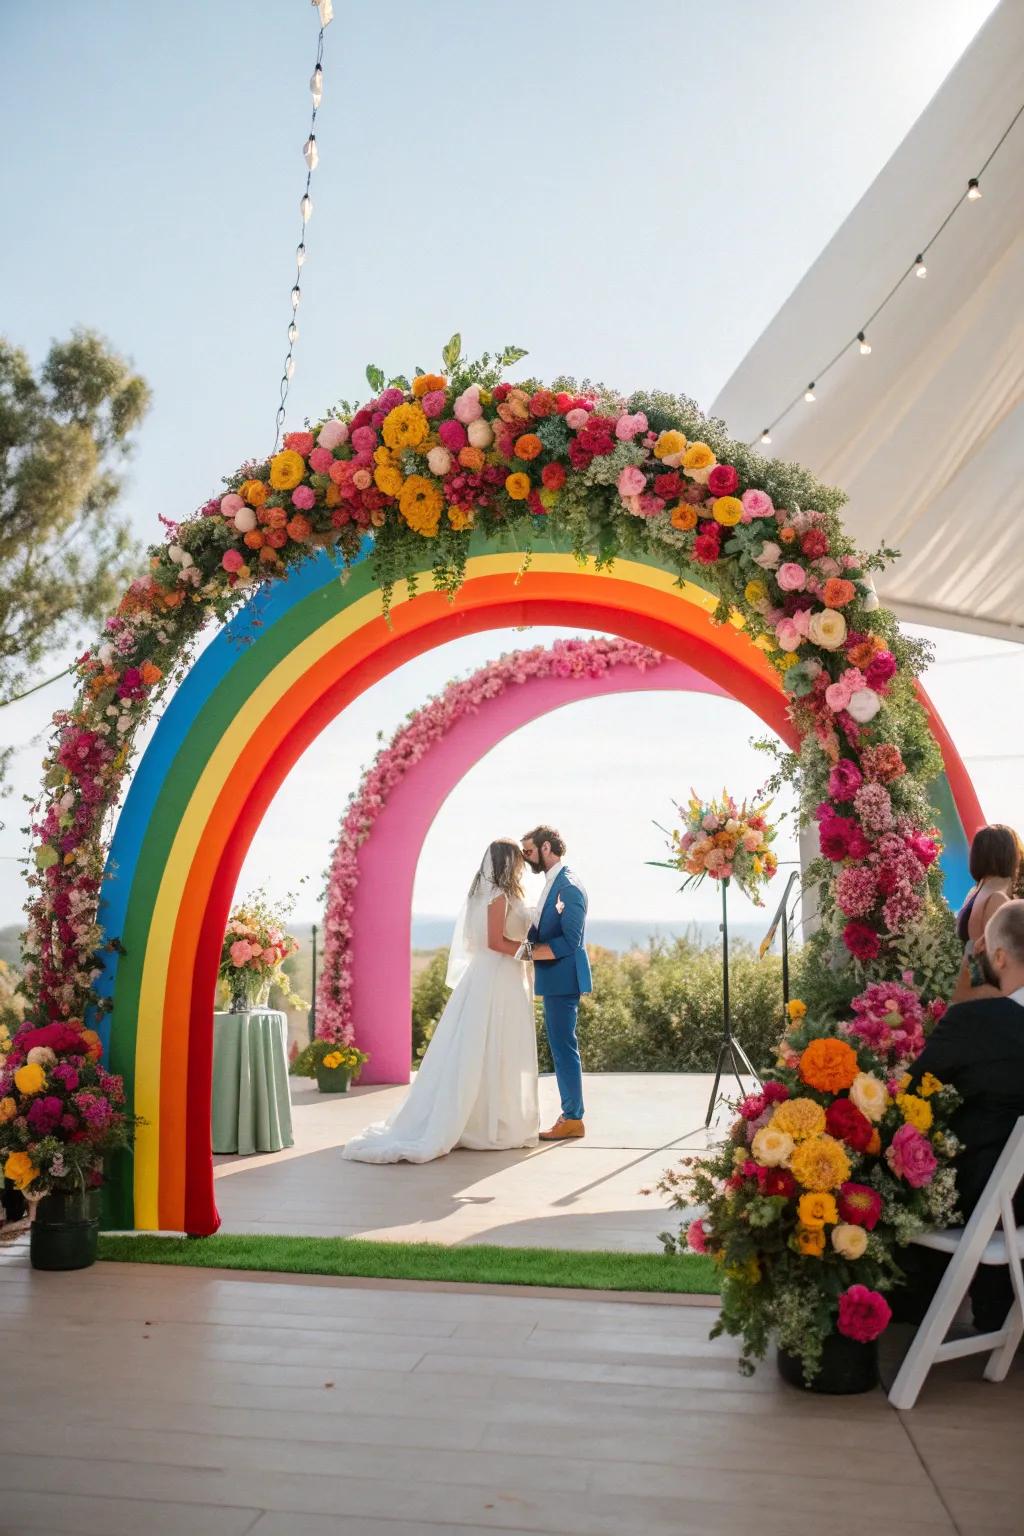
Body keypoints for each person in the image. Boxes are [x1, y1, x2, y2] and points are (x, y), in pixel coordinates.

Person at [342, 839, 539, 1164]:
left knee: (498, 1047)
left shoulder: (496, 894)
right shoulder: (497, 896)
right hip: (495, 978)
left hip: (502, 977)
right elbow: (494, 941)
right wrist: (532, 953)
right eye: (517, 861)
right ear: (507, 863)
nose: (520, 866)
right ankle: (482, 1123)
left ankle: (496, 1117)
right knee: (485, 1045)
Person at [899, 898, 1024, 1330]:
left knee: (898, 1157)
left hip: (988, 1203)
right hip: (1013, 1200)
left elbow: (909, 1093)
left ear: (1001, 956)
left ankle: (913, 1304)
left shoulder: (975, 1021)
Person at [520, 826, 592, 1142]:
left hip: (564, 979)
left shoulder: (570, 887)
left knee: (564, 1049)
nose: (526, 858)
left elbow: (569, 942)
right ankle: (571, 1115)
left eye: (528, 851)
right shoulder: (553, 883)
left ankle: (573, 1118)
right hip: (554, 980)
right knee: (560, 1047)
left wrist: (525, 953)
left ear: (546, 847)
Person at [951, 823, 1022, 1002]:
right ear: (1008, 855)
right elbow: (1003, 964)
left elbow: (973, 955)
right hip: (990, 997)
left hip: (974, 990)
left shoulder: (975, 893)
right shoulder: (997, 898)